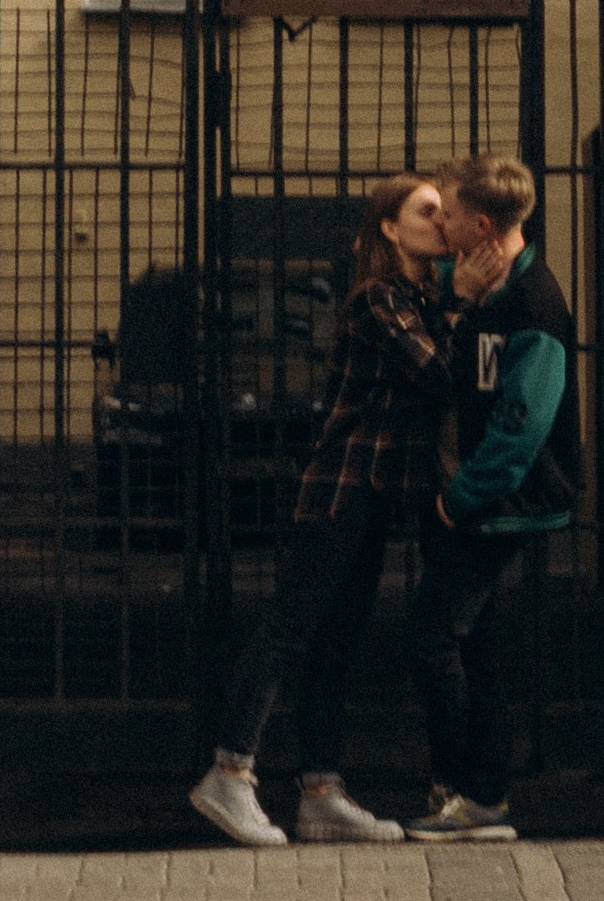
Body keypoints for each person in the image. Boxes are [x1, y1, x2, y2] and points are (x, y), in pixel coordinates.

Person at [188, 174, 482, 849]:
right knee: (289, 629)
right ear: (389, 227)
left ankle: (321, 793)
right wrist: (463, 302)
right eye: (427, 211)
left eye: (444, 211)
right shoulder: (377, 300)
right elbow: (442, 377)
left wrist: (452, 302)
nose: (443, 222)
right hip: (340, 493)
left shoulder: (416, 299)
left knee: (335, 645)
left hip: (374, 498)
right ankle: (229, 771)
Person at [407, 150, 580, 843]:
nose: (439, 223)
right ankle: (484, 793)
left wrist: (460, 500)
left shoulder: (534, 302)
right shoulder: (481, 290)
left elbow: (521, 424)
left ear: (481, 225)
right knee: (473, 646)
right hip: (478, 498)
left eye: (446, 213)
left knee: (433, 639)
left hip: (499, 502)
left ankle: (469, 793)